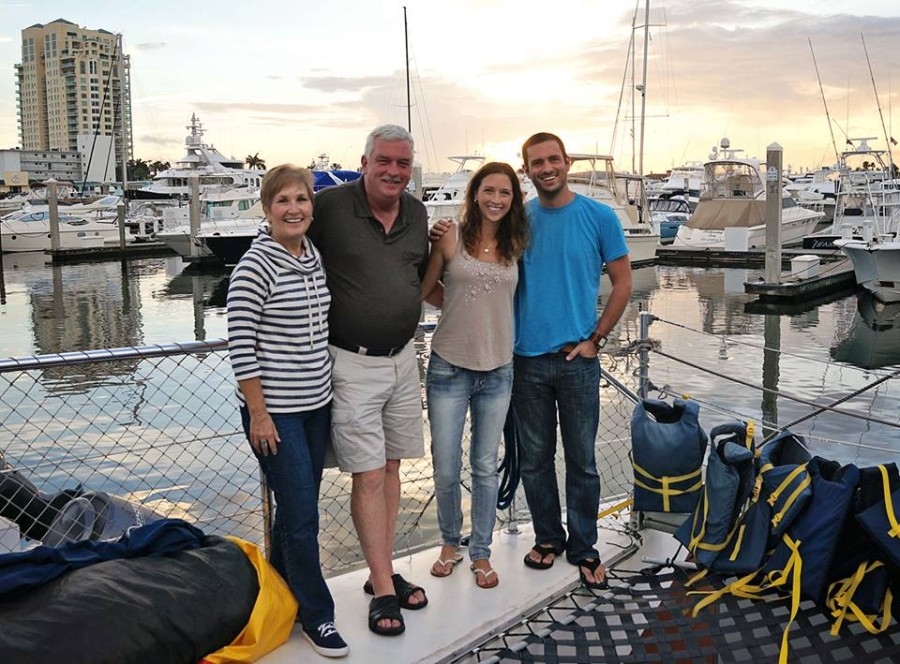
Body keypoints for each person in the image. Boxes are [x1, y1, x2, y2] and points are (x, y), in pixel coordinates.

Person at [309, 124, 429, 637]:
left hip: (404, 359)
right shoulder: (332, 207)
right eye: (385, 161)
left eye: (403, 164)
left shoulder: (419, 213)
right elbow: (283, 241)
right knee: (369, 474)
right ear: (364, 161)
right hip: (351, 363)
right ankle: (383, 589)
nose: (394, 172)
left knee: (393, 466)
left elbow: (420, 276)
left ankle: (381, 569)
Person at [227, 165, 348, 658]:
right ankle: (317, 615)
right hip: (274, 414)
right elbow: (241, 344)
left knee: (292, 514)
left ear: (311, 207)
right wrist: (258, 414)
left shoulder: (313, 256)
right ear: (267, 208)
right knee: (302, 517)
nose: (294, 208)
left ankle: (275, 594)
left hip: (316, 406)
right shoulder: (257, 264)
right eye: (283, 201)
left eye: (301, 199)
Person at [515, 132, 632, 589]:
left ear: (566, 162)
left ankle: (584, 546)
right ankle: (548, 538)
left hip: (578, 359)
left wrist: (597, 338)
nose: (546, 168)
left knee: (582, 460)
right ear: (525, 169)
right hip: (526, 360)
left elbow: (622, 283)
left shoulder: (599, 216)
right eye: (536, 162)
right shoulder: (518, 221)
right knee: (534, 460)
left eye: (553, 159)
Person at [421, 162, 529, 590]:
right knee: (446, 464)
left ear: (513, 199)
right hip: (449, 364)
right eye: (489, 190)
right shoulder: (449, 234)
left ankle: (480, 552)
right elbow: (426, 286)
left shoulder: (517, 241)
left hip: (499, 368)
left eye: (505, 192)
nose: (496, 199)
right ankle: (450, 543)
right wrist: (459, 307)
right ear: (475, 192)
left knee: (485, 466)